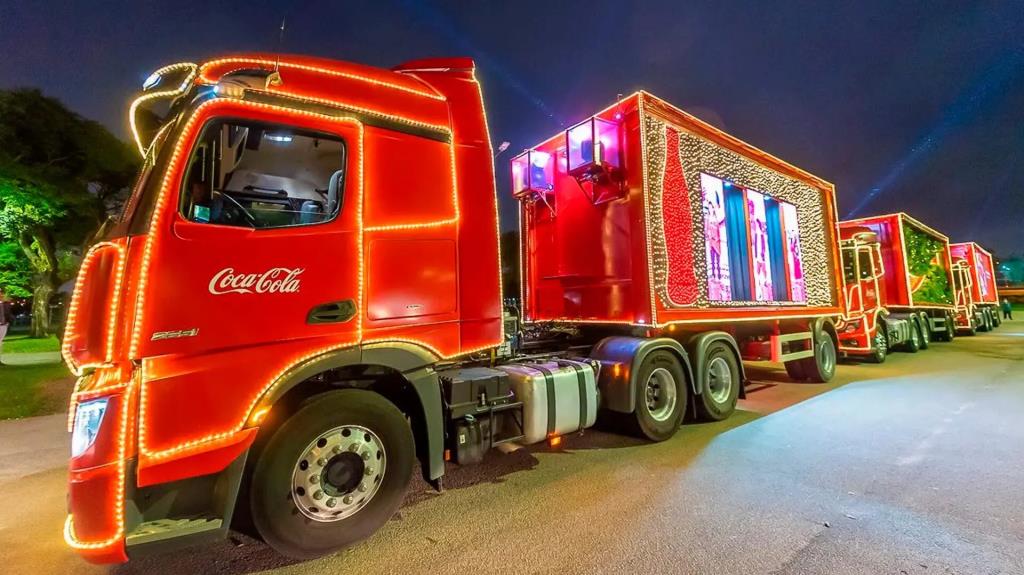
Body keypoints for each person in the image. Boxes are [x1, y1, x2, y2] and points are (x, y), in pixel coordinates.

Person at [0, 293, 11, 365]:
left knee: (0, 342)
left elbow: (7, 313)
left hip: (3, 325)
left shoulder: (5, 304)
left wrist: (8, 322)